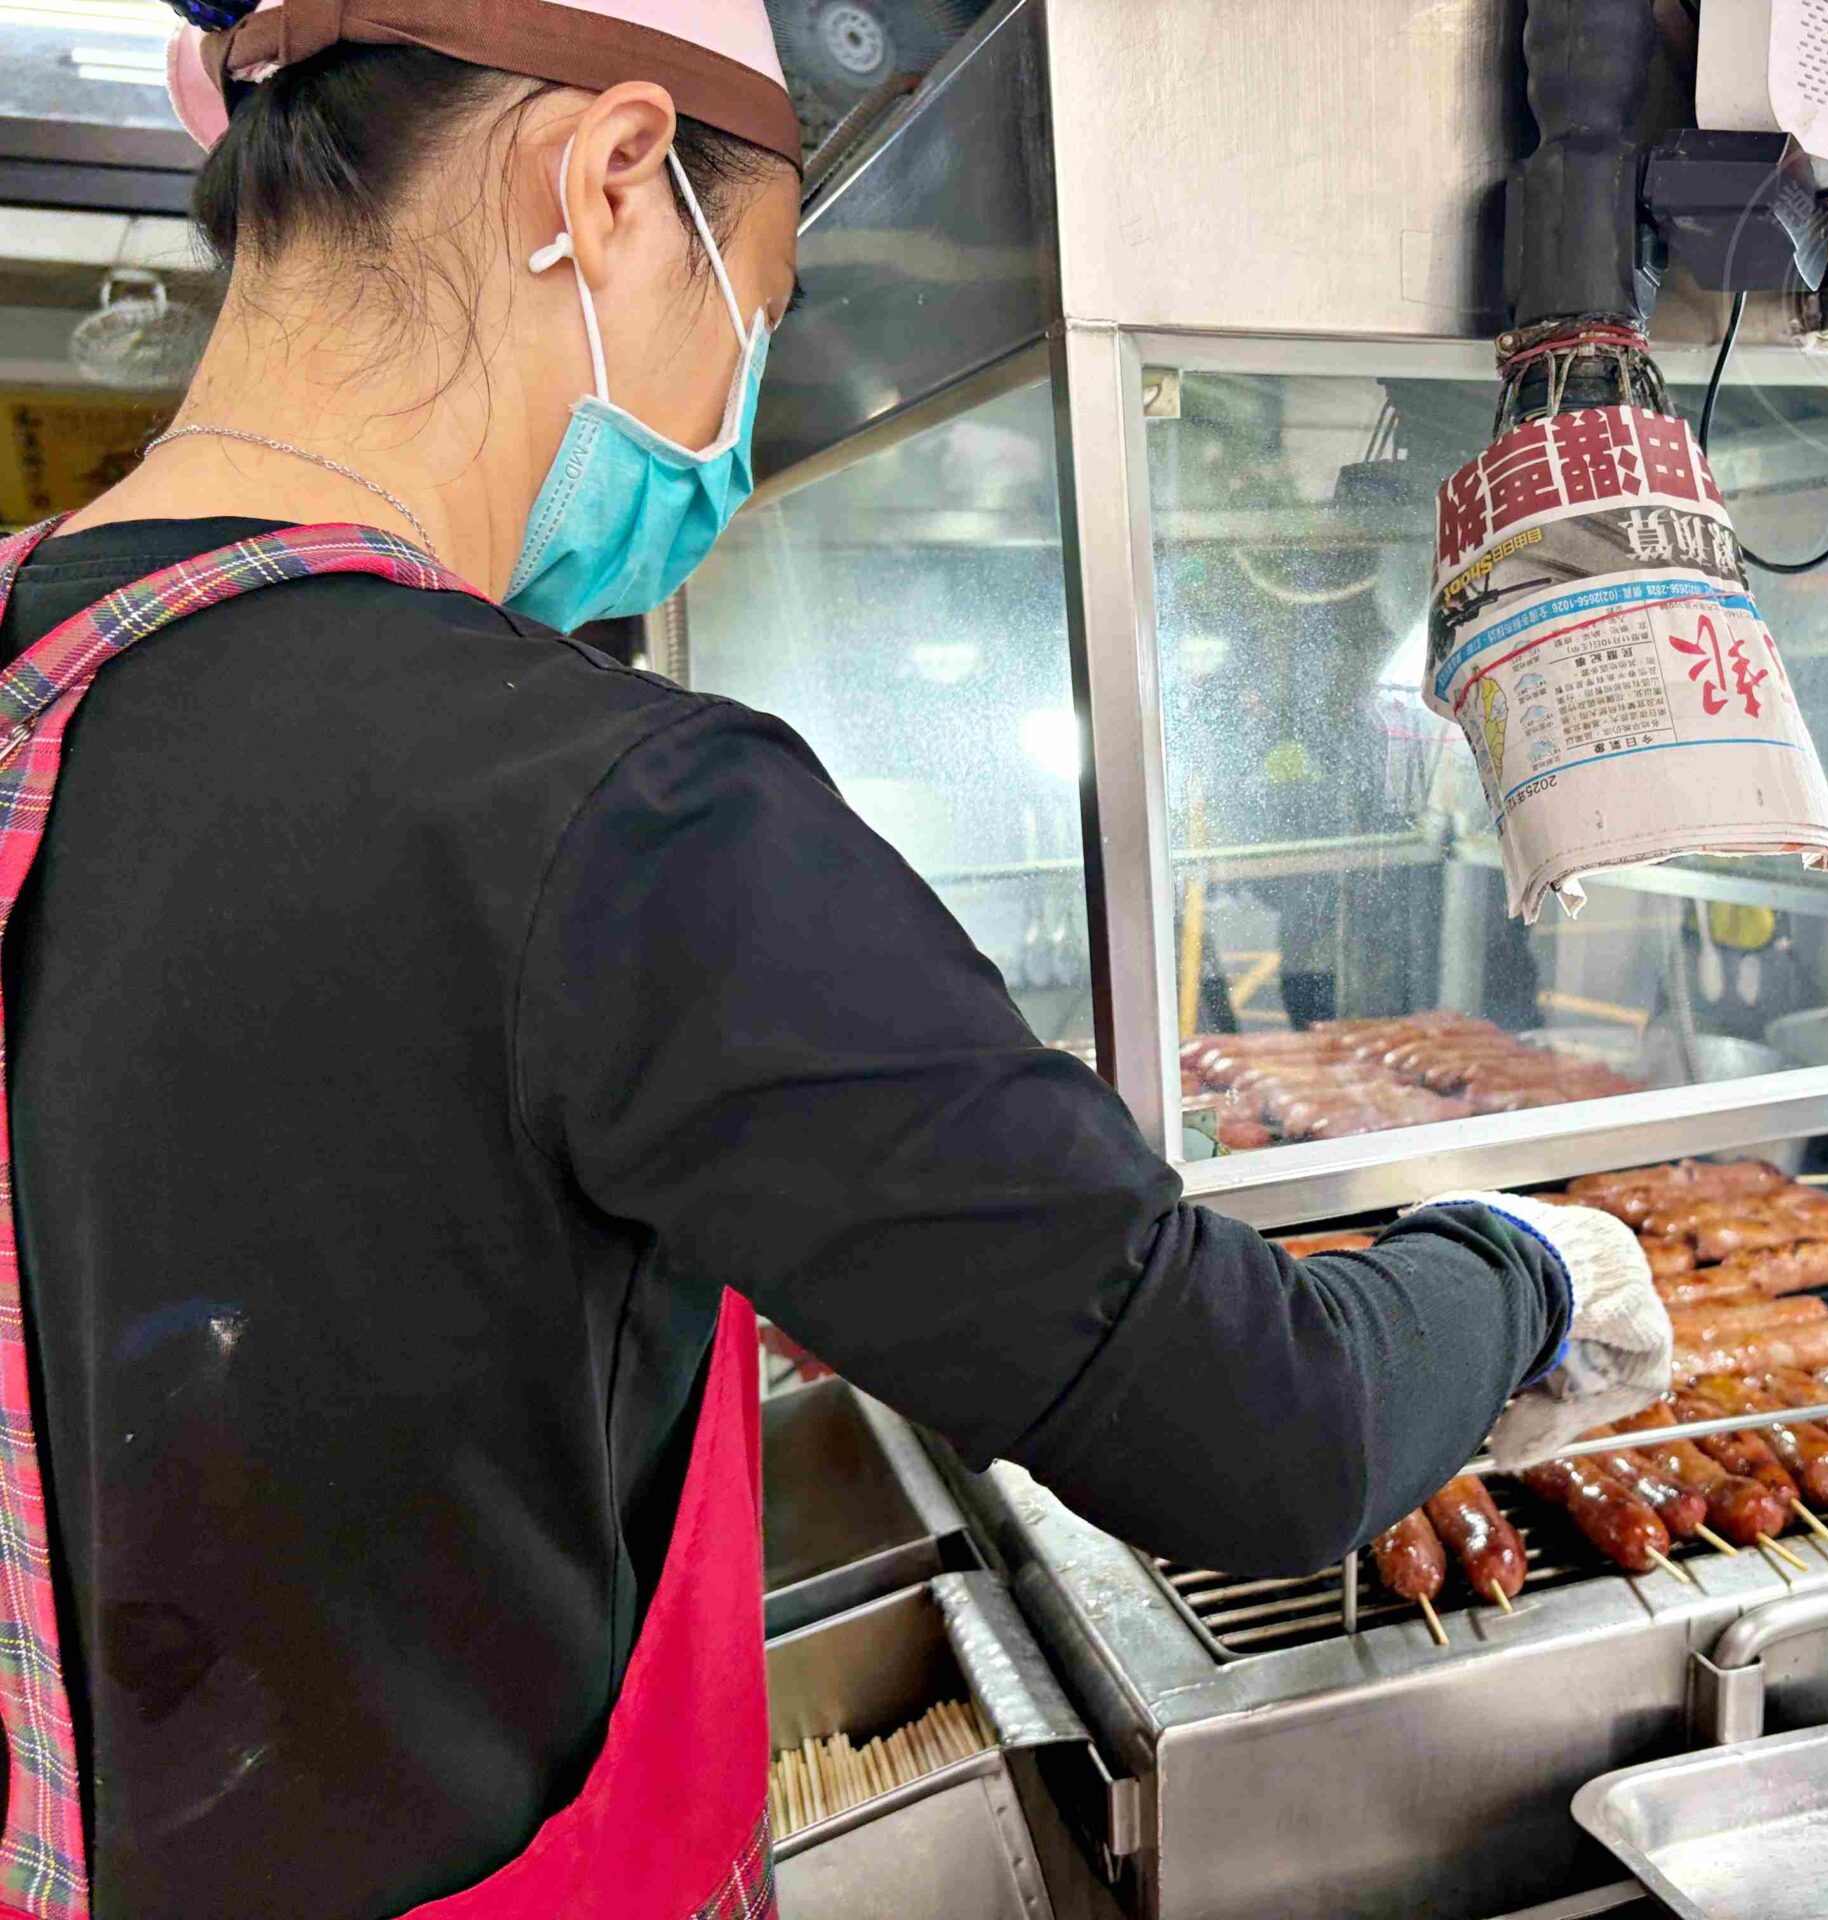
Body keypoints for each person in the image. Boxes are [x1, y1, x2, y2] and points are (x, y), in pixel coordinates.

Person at [0, 4, 1666, 1913]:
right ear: (612, 177)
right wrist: (1529, 1261)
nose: (734, 403)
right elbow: (1271, 1438)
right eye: (756, 301)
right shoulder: (605, 807)